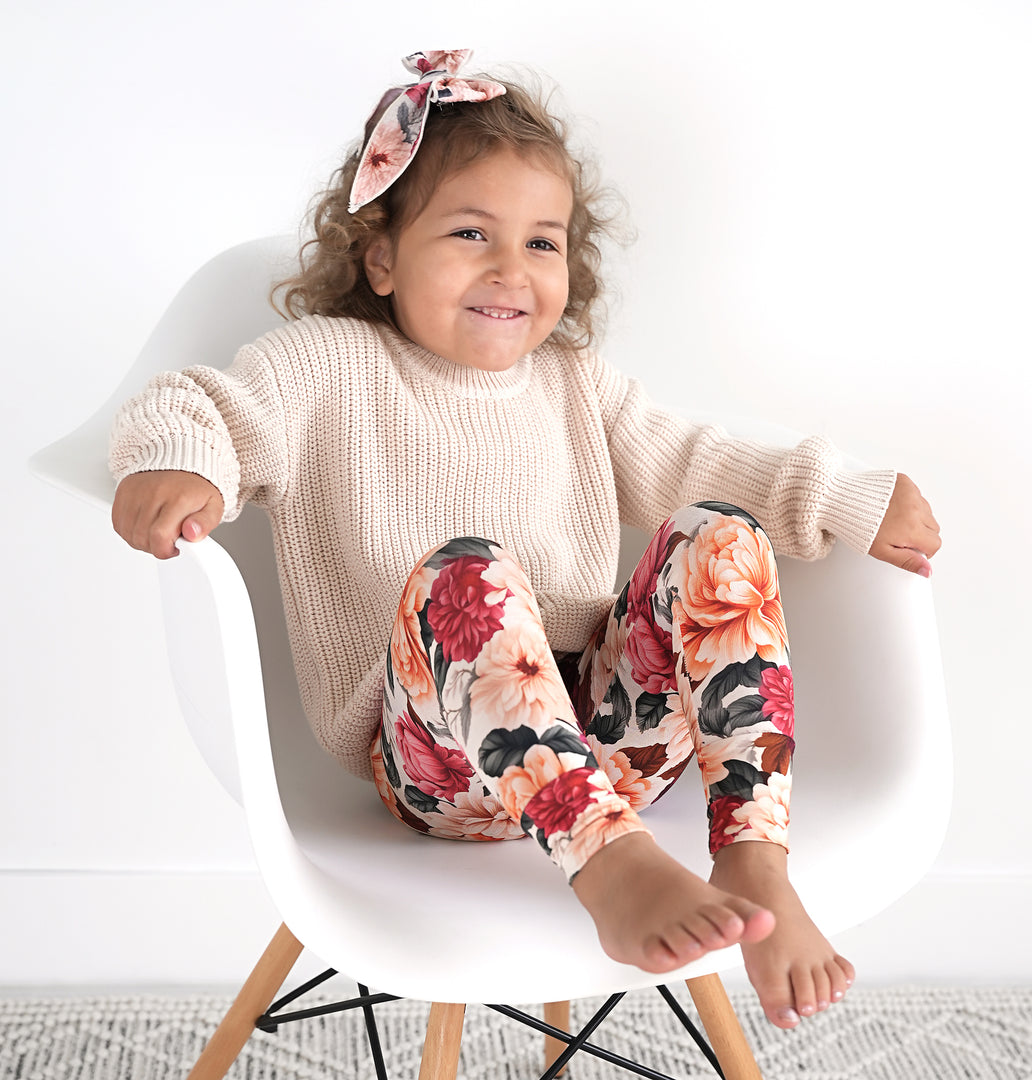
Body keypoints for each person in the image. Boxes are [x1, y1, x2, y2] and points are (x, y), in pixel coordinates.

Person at [109, 50, 941, 1031]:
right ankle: (612, 864)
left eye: (542, 242)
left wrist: (843, 496)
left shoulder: (574, 382)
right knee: (468, 571)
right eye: (471, 233)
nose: (511, 269)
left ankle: (754, 852)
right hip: (440, 766)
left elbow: (698, 457)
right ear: (382, 257)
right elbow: (194, 404)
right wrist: (183, 463)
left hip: (611, 740)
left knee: (718, 532)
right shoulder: (322, 367)